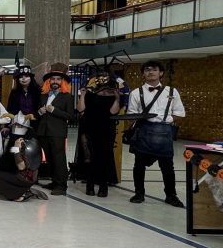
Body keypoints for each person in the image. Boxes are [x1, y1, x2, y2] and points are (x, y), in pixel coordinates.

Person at [128, 60, 186, 207]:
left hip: (164, 132)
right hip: (144, 131)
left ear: (160, 73)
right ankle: (139, 193)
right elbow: (131, 115)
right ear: (143, 74)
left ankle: (171, 195)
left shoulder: (172, 92)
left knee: (167, 166)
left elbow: (180, 113)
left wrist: (166, 120)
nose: (150, 72)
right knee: (139, 165)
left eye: (154, 69)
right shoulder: (136, 93)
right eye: (147, 70)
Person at [75, 72, 120, 197]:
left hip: (106, 128)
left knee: (105, 156)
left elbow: (113, 112)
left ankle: (103, 186)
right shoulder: (90, 93)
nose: (101, 79)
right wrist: (82, 95)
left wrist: (117, 98)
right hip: (89, 126)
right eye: (99, 77)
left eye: (104, 77)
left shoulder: (113, 93)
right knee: (89, 157)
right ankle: (89, 185)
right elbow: (80, 109)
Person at [35, 62, 75, 196]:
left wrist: (54, 110)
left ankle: (61, 186)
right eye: (53, 79)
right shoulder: (43, 96)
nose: (55, 81)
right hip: (43, 131)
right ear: (49, 81)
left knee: (59, 159)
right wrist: (39, 112)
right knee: (50, 159)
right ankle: (54, 181)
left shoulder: (67, 97)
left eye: (58, 79)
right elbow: (37, 114)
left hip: (57, 132)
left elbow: (70, 116)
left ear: (62, 81)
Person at [0, 137, 48, 202]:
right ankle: (23, 189)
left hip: (24, 179)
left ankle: (20, 194)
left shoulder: (25, 149)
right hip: (32, 178)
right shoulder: (34, 145)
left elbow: (21, 166)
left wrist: (16, 147)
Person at [6, 64, 42, 134]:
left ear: (31, 78)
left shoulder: (38, 91)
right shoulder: (14, 92)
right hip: (18, 125)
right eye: (21, 77)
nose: (23, 79)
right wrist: (7, 125)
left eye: (26, 76)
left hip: (35, 125)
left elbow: (40, 107)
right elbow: (10, 109)